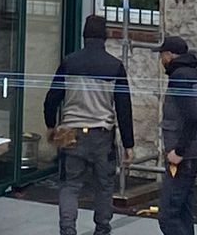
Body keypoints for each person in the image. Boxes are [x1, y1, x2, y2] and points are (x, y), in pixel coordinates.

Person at [44, 14, 135, 235]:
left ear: (84, 36)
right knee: (104, 186)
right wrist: (129, 144)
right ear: (105, 37)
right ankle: (102, 229)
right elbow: (124, 108)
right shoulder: (115, 67)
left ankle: (68, 230)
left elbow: (52, 98)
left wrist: (50, 125)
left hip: (70, 133)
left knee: (70, 185)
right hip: (102, 136)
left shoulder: (69, 62)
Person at [156, 36, 197, 235]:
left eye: (162, 55)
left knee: (167, 216)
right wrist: (195, 140)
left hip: (181, 158)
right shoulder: (194, 74)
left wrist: (179, 150)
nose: (161, 60)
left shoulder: (179, 76)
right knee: (183, 211)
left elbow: (192, 118)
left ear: (169, 55)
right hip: (191, 155)